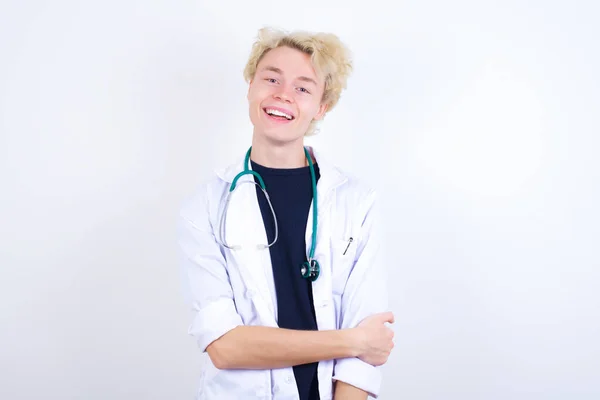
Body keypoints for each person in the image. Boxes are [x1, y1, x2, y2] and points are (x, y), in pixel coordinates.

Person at [177, 27, 394, 400]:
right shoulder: (206, 207)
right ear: (250, 86)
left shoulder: (356, 202)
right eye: (271, 78)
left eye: (303, 88)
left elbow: (367, 347)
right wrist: (352, 341)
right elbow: (225, 347)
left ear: (321, 106)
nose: (282, 95)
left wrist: (361, 342)